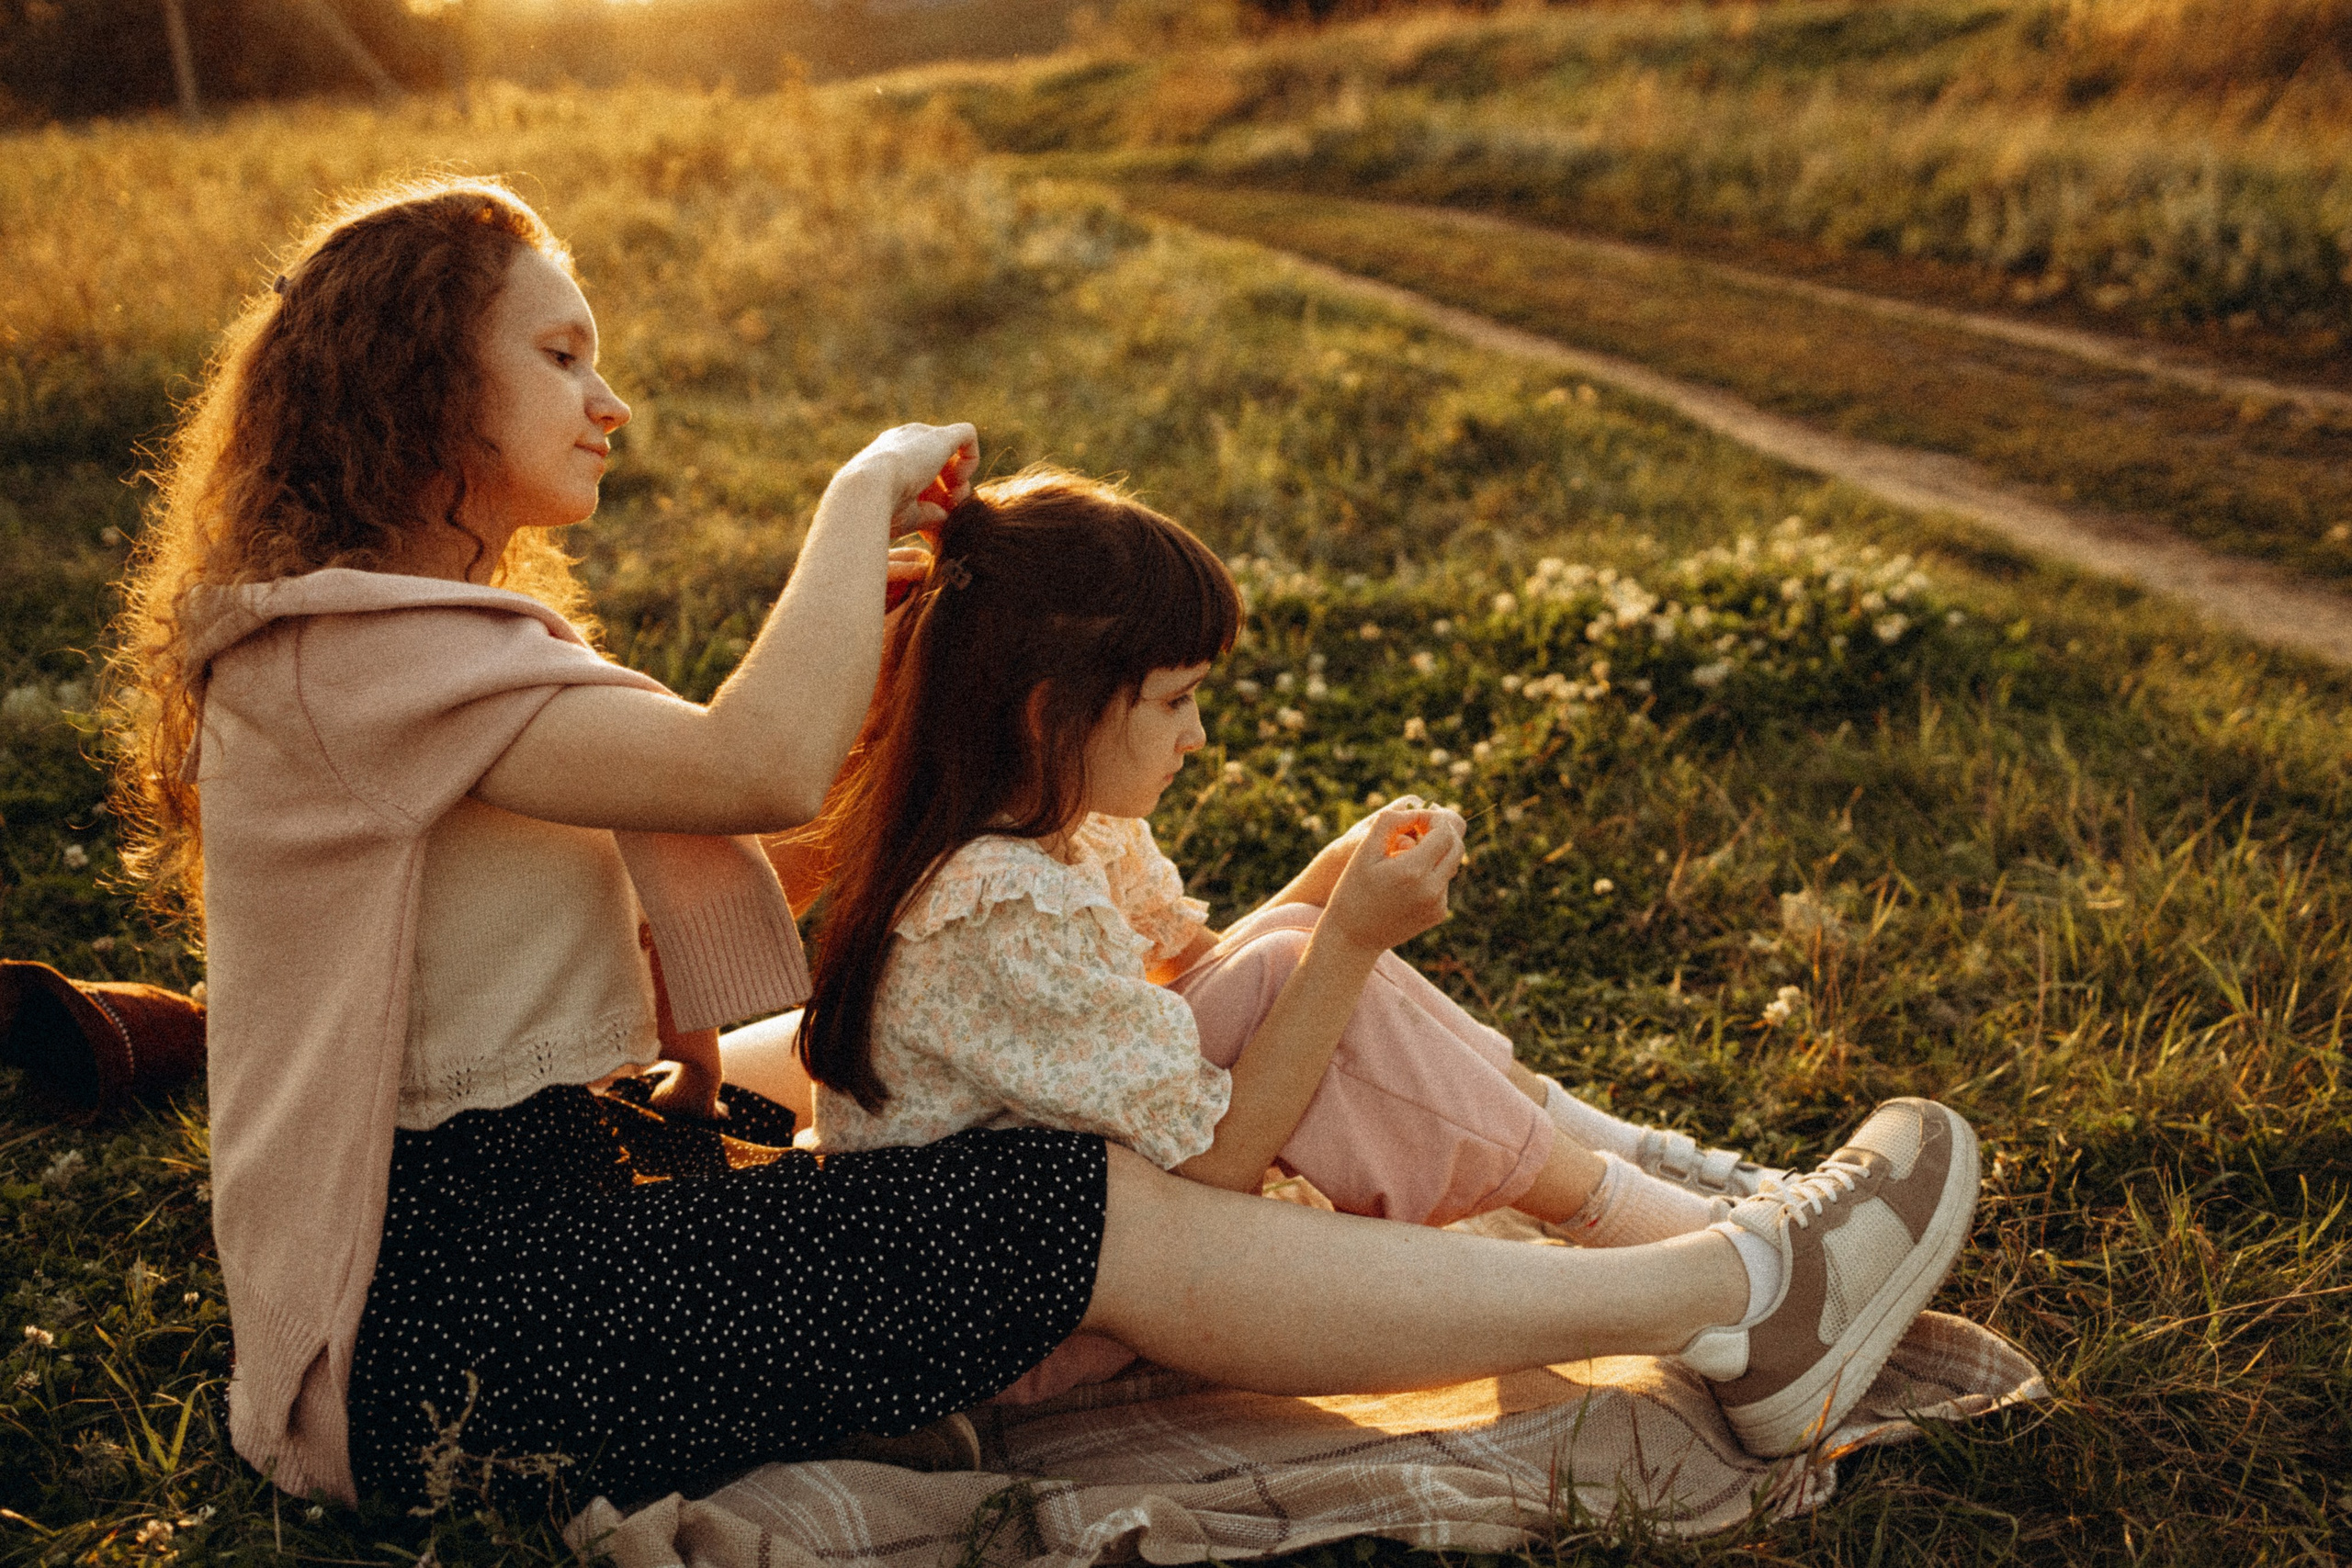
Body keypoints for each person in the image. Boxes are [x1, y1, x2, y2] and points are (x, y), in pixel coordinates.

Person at [105, 173, 1981, 1515]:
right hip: (454, 1336)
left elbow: (805, 849)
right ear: (427, 383)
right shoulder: (339, 662)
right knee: (1051, 1205)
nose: (613, 399)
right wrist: (854, 499)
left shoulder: (409, 650)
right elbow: (748, 767)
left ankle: (1683, 1218)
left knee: (1022, 1095)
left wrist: (918, 706)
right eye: (563, 353)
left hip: (569, 1214)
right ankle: (1730, 1291)